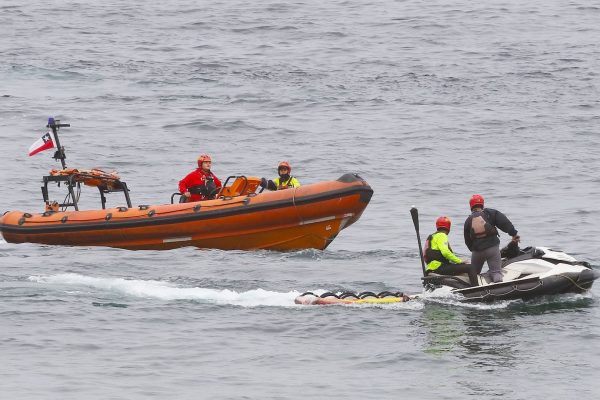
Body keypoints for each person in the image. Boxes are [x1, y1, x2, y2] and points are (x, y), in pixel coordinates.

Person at [464, 194, 520, 283]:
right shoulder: (490, 213)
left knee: (474, 274)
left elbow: (467, 239)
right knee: (496, 273)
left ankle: (473, 290)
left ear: (471, 206)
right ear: (482, 204)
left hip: (477, 252)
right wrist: (513, 234)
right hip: (492, 249)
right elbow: (504, 222)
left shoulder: (468, 220)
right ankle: (499, 290)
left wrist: (473, 249)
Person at [425, 216, 479, 286]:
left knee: (460, 266)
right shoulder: (442, 235)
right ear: (448, 227)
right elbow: (445, 252)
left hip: (431, 268)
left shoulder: (433, 236)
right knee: (470, 267)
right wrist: (459, 261)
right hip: (439, 268)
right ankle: (476, 288)